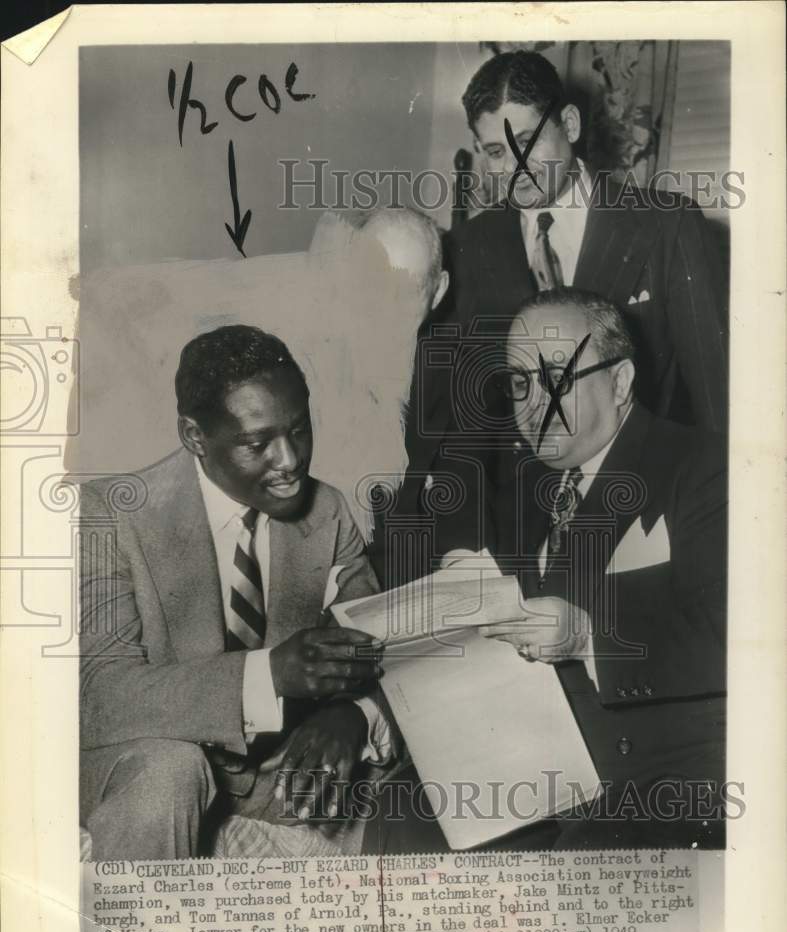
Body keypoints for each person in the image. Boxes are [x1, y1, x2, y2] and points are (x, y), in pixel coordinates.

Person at [367, 288, 727, 853]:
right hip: (535, 758)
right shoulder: (526, 484)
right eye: (519, 383)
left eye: (557, 377)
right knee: (400, 819)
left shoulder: (707, 466)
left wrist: (588, 634)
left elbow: (737, 632)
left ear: (622, 381)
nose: (536, 404)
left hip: (662, 771)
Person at [79, 325, 392, 860]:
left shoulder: (329, 511)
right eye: (258, 442)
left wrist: (353, 715)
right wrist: (268, 674)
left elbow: (384, 650)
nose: (290, 459)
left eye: (300, 429)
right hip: (146, 763)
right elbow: (101, 697)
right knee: (168, 772)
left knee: (427, 793)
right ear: (196, 437)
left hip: (278, 776)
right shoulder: (109, 513)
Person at [403, 49, 728, 550]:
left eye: (527, 143)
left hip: (642, 522)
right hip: (514, 530)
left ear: (570, 124)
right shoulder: (470, 247)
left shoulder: (668, 228)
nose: (514, 171)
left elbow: (716, 409)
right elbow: (459, 422)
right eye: (494, 153)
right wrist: (467, 549)